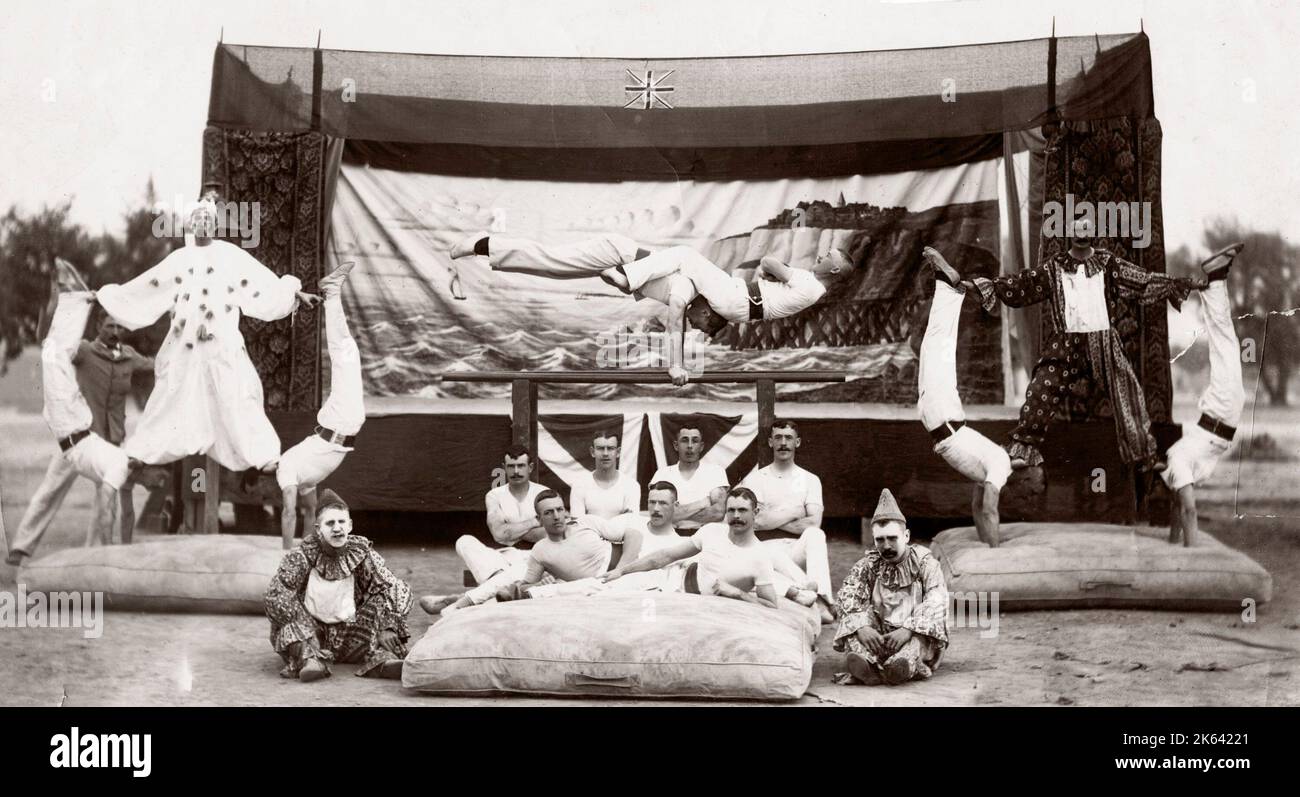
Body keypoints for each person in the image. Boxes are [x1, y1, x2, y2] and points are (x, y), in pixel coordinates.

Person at [93, 198, 321, 472]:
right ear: (190, 224)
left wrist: (294, 293)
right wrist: (107, 298)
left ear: (215, 224)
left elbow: (263, 283)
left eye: (207, 219)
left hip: (221, 342)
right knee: (170, 393)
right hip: (184, 344)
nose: (202, 223)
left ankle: (262, 456)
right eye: (197, 218)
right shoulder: (179, 259)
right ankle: (144, 451)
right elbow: (147, 288)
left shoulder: (230, 256)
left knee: (238, 394)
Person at [452, 233, 853, 385]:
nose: (822, 252)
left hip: (733, 297)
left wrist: (677, 364)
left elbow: (766, 263)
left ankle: (626, 277)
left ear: (834, 268)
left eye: (828, 253)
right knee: (587, 258)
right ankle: (492, 250)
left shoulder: (809, 282)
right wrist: (676, 364)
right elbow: (677, 320)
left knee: (682, 252)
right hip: (726, 297)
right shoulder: (687, 290)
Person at [967, 217, 1207, 471]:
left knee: (1127, 392)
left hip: (1103, 342)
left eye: (1086, 230)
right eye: (1077, 230)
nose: (1082, 234)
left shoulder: (1107, 263)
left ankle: (1143, 457)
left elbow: (1141, 280)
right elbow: (1024, 284)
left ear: (1094, 233)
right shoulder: (1054, 267)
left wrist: (1180, 284)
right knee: (1041, 390)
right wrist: (986, 287)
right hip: (1065, 344)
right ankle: (1023, 450)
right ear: (1069, 233)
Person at [7, 260, 153, 565]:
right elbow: (54, 349)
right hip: (77, 434)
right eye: (109, 325)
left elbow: (154, 365)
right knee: (49, 492)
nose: (114, 331)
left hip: (108, 442)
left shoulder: (129, 357)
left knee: (106, 500)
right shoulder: (85, 350)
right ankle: (21, 547)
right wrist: (56, 306)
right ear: (98, 325)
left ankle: (92, 556)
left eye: (118, 327)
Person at [915, 247, 1013, 547]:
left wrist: (985, 546)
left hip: (942, 417)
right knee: (936, 345)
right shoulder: (1001, 466)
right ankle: (948, 286)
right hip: (943, 415)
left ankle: (949, 288)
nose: (1034, 490)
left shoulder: (990, 470)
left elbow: (976, 508)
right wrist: (996, 555)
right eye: (1037, 484)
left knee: (935, 347)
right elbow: (990, 509)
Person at [264, 489, 412, 682]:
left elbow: (393, 587)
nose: (337, 528)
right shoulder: (300, 556)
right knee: (289, 626)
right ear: (318, 529)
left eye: (341, 522)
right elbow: (276, 594)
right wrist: (307, 628)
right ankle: (311, 661)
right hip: (314, 635)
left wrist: (388, 625)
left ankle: (383, 661)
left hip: (352, 636)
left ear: (350, 525)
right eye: (330, 523)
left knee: (384, 599)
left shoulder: (361, 553)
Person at [603, 487, 821, 611]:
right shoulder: (712, 531)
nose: (736, 516)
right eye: (731, 510)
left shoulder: (760, 557)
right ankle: (797, 590)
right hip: (674, 578)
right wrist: (622, 570)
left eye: (743, 510)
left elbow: (770, 606)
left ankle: (798, 591)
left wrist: (736, 594)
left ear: (756, 512)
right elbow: (666, 556)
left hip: (697, 597)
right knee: (612, 589)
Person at [274, 262, 364, 548]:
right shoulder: (302, 477)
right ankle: (332, 292)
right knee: (346, 355)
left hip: (339, 423)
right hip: (343, 424)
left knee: (345, 354)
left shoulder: (286, 468)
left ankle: (332, 291)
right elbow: (309, 511)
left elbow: (289, 512)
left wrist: (286, 554)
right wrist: (307, 549)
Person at [1162, 243, 1247, 547]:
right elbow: (1178, 509)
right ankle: (1216, 280)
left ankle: (1216, 278)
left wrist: (1192, 555)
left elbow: (1190, 510)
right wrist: (1174, 545)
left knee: (1225, 343)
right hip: (1220, 416)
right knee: (1224, 343)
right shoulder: (1175, 464)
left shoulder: (1178, 461)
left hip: (1221, 413)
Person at [833, 489, 949, 685]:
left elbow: (937, 599)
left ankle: (902, 665)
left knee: (918, 642)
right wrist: (862, 627)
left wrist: (909, 629)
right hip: (879, 633)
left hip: (911, 632)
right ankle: (866, 665)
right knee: (853, 629)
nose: (886, 546)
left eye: (892, 538)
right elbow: (848, 594)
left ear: (906, 536)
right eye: (880, 540)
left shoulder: (925, 563)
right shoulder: (868, 564)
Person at [418, 446, 547, 614]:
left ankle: (461, 599)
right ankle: (492, 592)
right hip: (504, 557)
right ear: (504, 467)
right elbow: (499, 535)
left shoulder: (544, 493)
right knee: (464, 541)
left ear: (530, 467)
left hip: (533, 557)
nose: (516, 471)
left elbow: (546, 534)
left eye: (521, 466)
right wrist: (534, 521)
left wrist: (510, 529)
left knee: (519, 568)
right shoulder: (495, 495)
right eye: (511, 466)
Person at [740, 420, 836, 619]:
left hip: (795, 550)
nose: (783, 443)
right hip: (767, 550)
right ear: (770, 442)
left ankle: (821, 596)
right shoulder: (756, 479)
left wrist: (772, 515)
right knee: (759, 555)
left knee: (815, 534)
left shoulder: (810, 479)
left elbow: (813, 522)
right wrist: (795, 511)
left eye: (788, 438)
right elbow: (757, 522)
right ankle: (818, 601)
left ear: (797, 442)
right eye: (778, 438)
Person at [495, 490, 645, 600]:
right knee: (563, 588)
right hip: (594, 589)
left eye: (559, 510)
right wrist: (540, 584)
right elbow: (526, 585)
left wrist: (621, 571)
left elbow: (634, 535)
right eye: (548, 512)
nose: (556, 516)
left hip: (631, 569)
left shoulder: (586, 522)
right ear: (539, 519)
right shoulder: (540, 550)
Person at [649, 425, 729, 532]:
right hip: (671, 536)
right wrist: (702, 503)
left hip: (705, 536)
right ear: (676, 445)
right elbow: (658, 515)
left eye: (695, 441)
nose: (690, 446)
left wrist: (676, 515)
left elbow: (718, 512)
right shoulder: (662, 474)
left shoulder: (715, 472)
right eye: (685, 440)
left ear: (701, 446)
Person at [568, 432, 640, 519]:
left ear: (618, 452)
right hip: (589, 533)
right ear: (592, 452)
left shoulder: (631, 485)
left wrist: (590, 521)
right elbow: (578, 526)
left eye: (610, 448)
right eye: (600, 448)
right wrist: (620, 519)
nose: (605, 453)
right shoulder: (579, 485)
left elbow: (630, 525)